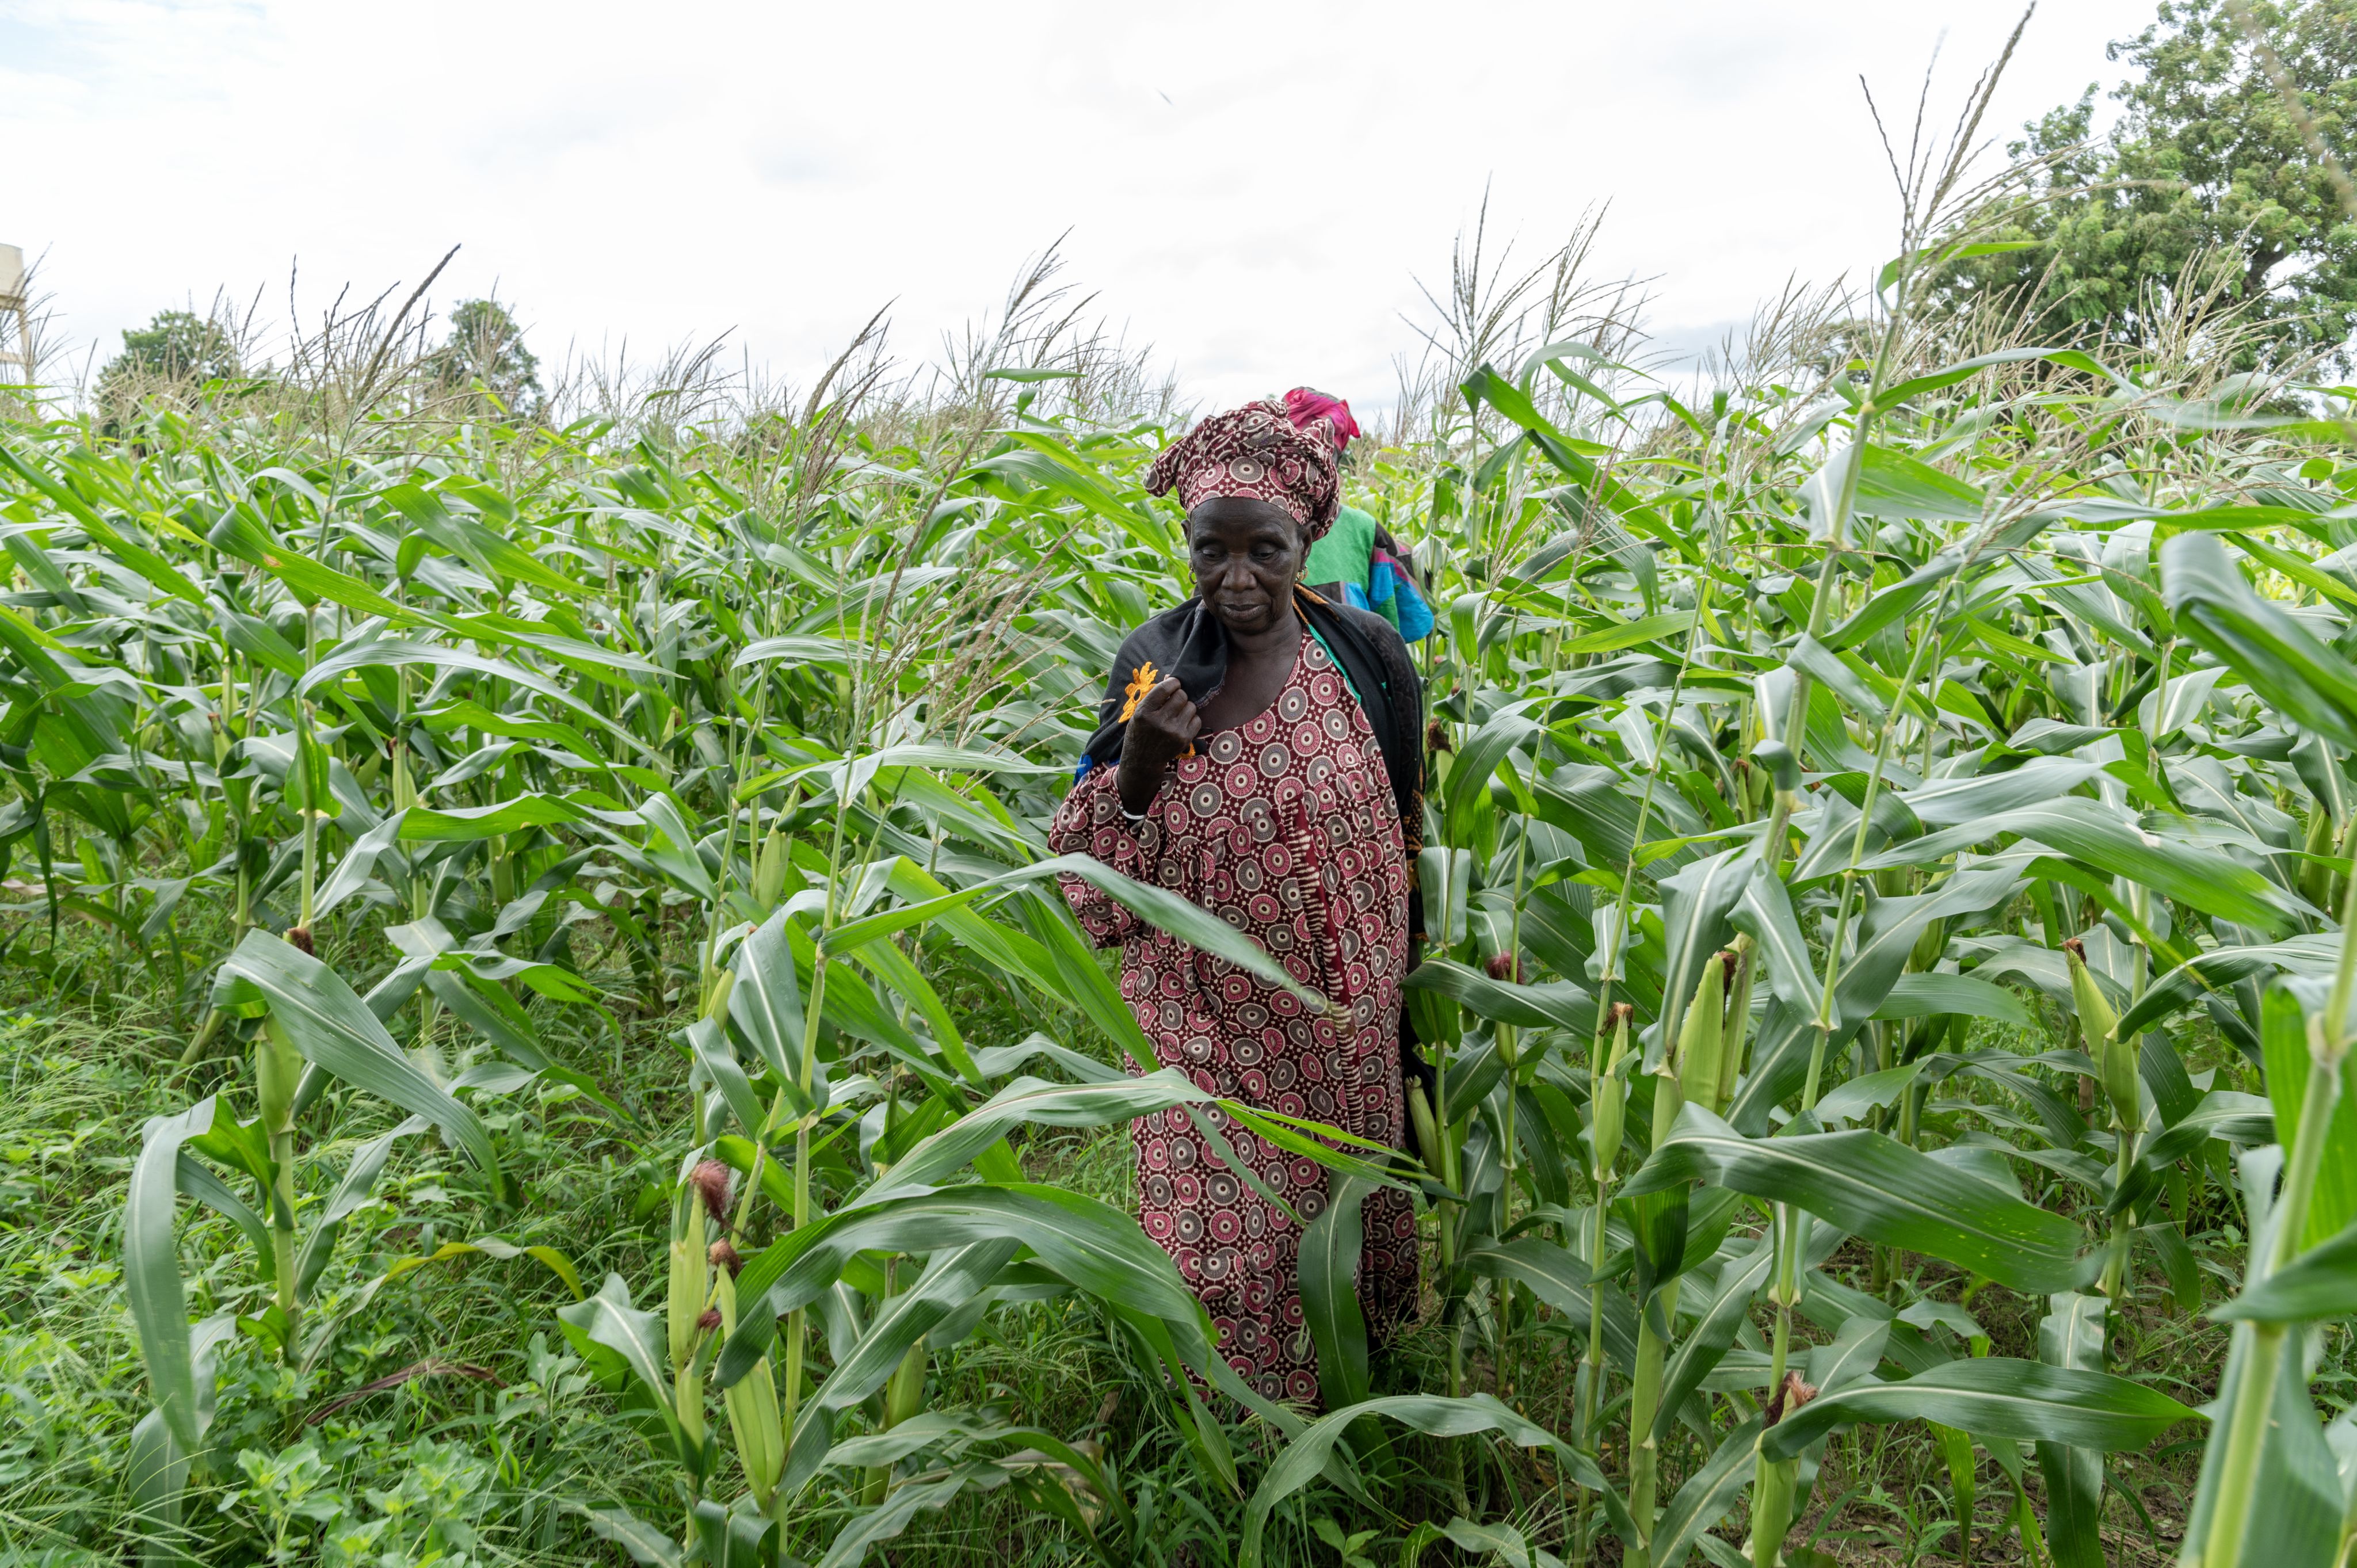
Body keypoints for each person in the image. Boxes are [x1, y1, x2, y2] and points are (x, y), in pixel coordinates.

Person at [1048, 390, 1424, 1407]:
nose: (1238, 579)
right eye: (1212, 551)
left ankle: (1360, 1411)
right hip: (1210, 1022)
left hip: (1346, 1015)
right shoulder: (1155, 665)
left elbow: (1403, 821)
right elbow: (1086, 889)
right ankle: (1236, 1446)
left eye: (1266, 550)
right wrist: (1139, 766)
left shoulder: (1365, 655)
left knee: (1343, 1215)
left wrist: (1402, 974)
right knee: (1227, 1243)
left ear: (1308, 542)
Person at [1286, 390, 1437, 643]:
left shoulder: (1363, 529)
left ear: (1337, 462)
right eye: (1302, 455)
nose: (1313, 468)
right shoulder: (1252, 527)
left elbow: (1405, 614)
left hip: (1355, 679)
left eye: (1325, 456)